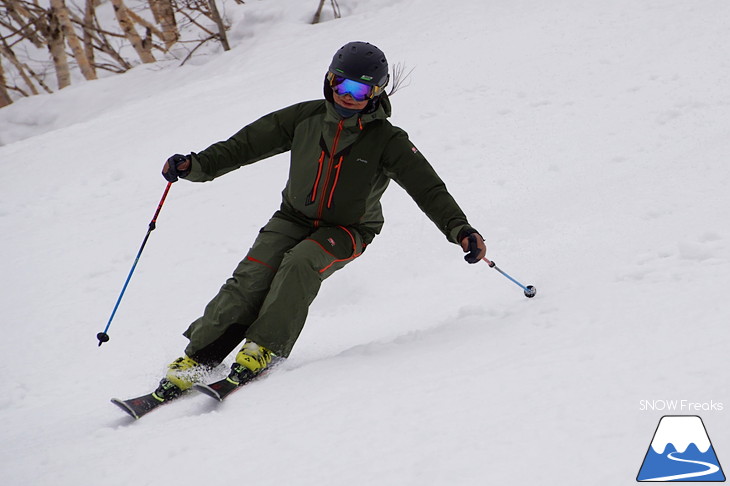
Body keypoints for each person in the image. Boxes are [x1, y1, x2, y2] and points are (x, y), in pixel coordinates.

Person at [154, 41, 487, 399]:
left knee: (300, 263)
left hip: (347, 230)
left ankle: (263, 348)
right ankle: (199, 357)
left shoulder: (387, 140)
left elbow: (428, 189)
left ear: (376, 93)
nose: (347, 95)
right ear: (328, 80)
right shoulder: (305, 118)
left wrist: (460, 229)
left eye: (359, 89)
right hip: (292, 217)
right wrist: (195, 165)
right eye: (339, 83)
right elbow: (245, 145)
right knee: (251, 276)